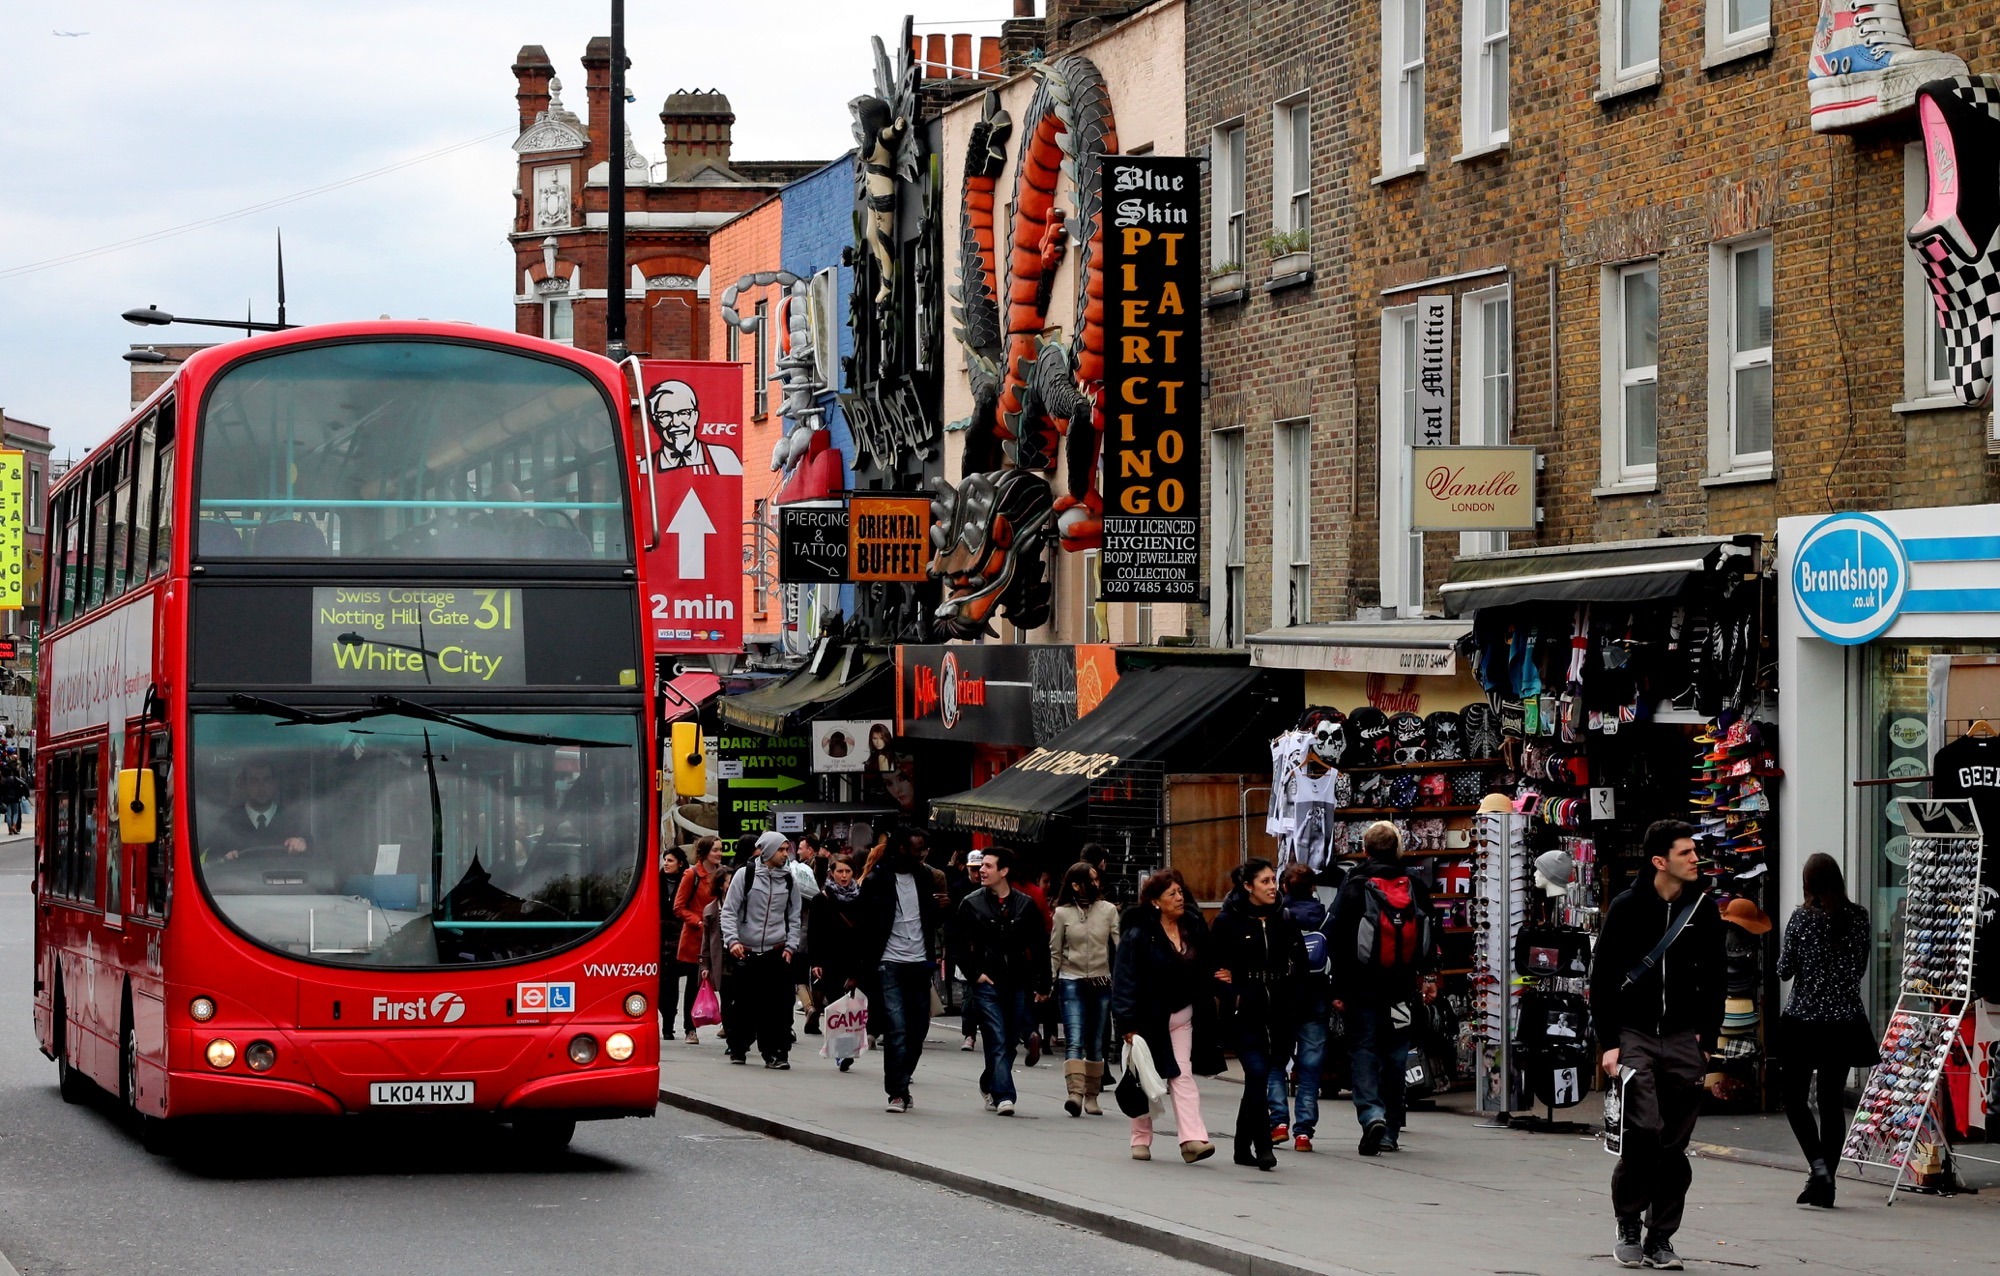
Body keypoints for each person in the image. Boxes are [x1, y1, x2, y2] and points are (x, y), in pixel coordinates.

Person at [1589, 819, 1726, 1270]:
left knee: (1673, 1146)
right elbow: (1603, 980)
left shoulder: (1703, 909)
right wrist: (1608, 1043)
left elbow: (1716, 977)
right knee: (1643, 1130)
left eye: (1694, 851)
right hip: (1634, 1034)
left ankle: (1660, 1238)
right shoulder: (1627, 908)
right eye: (1686, 853)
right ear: (1659, 861)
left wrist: (1708, 1035)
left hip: (1685, 1037)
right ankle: (1628, 1223)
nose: (1695, 859)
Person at [1327, 821, 1441, 1158]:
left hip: (1363, 988)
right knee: (1395, 1054)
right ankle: (1390, 1129)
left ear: (1365, 850)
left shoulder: (1355, 885)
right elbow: (1432, 933)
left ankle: (1370, 1114)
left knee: (1363, 1051)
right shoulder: (1415, 885)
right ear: (1398, 850)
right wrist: (1429, 977)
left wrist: (1339, 989)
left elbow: (1339, 940)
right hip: (1401, 987)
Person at [1777, 853, 1873, 1208]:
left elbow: (1785, 970)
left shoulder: (1802, 919)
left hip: (1804, 1020)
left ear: (1808, 884)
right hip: (1845, 1022)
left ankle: (1818, 1167)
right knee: (1831, 1102)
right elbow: (1860, 968)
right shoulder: (1859, 917)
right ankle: (1826, 1183)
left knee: (1794, 1099)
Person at [1111, 869, 1220, 1163]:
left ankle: (1192, 1139)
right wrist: (1126, 1023)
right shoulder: (1138, 934)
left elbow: (1208, 962)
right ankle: (1140, 1138)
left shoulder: (1192, 927)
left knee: (1181, 1074)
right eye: (1172, 894)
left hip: (1182, 1013)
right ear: (1156, 901)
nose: (1179, 897)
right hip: (1146, 1017)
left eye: (1180, 892)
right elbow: (1123, 979)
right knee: (1146, 1077)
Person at [1212, 858, 1306, 1170]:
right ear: (1247, 886)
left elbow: (1301, 963)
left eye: (1273, 880)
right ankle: (1263, 1145)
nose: (1272, 887)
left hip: (1279, 1006)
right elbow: (1213, 967)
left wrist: (1296, 998)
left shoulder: (1285, 918)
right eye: (1264, 881)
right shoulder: (1228, 921)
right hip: (1246, 1007)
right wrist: (1233, 994)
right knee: (1255, 1072)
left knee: (1264, 1073)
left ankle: (1241, 1145)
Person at [953, 845, 1049, 1115]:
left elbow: (1039, 946)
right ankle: (1005, 1095)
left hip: (1017, 980)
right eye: (981, 865)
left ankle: (989, 1082)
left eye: (988, 866)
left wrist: (1044, 984)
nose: (981, 870)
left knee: (1008, 1040)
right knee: (995, 1036)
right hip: (987, 982)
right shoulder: (971, 903)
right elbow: (958, 944)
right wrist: (975, 973)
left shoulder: (1025, 904)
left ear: (1004, 871)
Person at [860, 829, 943, 1113]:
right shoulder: (877, 881)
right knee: (896, 1027)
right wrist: (860, 969)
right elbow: (864, 927)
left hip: (920, 962)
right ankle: (896, 1091)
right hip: (889, 962)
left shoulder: (924, 877)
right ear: (901, 849)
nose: (922, 854)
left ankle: (903, 1078)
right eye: (917, 848)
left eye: (924, 848)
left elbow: (931, 919)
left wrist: (940, 907)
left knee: (918, 1028)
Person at [719, 831, 805, 1068]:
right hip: (745, 951)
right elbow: (729, 911)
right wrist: (733, 941)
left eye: (787, 850)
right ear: (767, 851)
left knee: (777, 1006)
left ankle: (776, 1053)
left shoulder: (789, 880)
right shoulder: (744, 876)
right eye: (781, 850)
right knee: (745, 1003)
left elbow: (794, 916)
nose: (785, 854)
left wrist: (790, 946)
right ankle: (738, 1046)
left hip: (776, 951)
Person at [1269, 862, 1332, 1151]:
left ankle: (1278, 1121)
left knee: (1276, 1062)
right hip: (1315, 998)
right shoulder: (1325, 918)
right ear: (1313, 888)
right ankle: (1304, 1133)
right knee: (1310, 1067)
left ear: (1283, 887)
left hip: (1281, 999)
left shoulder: (1276, 917)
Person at [1050, 861, 1119, 1117]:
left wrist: (1121, 979)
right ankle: (1075, 1094)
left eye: (1096, 878)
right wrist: (1049, 982)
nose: (1096, 883)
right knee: (1074, 1038)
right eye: (1090, 879)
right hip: (1071, 980)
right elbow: (1055, 952)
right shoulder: (1062, 913)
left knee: (1096, 1042)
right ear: (1075, 885)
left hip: (1101, 981)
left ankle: (1092, 1095)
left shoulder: (1109, 910)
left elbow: (1118, 946)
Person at [808, 855, 870, 1073]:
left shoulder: (862, 898)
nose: (844, 876)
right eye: (840, 871)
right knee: (836, 1005)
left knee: (854, 1008)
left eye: (848, 872)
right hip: (830, 960)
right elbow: (813, 933)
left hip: (856, 959)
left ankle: (849, 1047)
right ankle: (841, 1052)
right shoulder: (821, 899)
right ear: (831, 873)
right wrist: (815, 961)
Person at [673, 838, 724, 1045]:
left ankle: (726, 1023)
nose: (719, 854)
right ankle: (690, 1028)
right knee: (695, 984)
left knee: (724, 981)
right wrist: (698, 921)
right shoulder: (691, 874)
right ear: (704, 853)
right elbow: (679, 907)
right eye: (716, 850)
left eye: (720, 850)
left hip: (720, 938)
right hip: (696, 939)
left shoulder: (723, 874)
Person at [214, 762, 311, 860]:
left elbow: (316, 856)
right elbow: (207, 861)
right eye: (254, 781)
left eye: (267, 780)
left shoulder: (293, 820)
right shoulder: (228, 822)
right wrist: (224, 858)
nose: (262, 787)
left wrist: (302, 844)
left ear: (274, 784)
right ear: (244, 785)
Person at [951, 850, 986, 1050]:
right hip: (965, 948)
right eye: (973, 869)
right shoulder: (959, 889)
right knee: (968, 994)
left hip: (984, 949)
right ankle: (969, 1034)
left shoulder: (988, 890)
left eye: (979, 868)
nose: (977, 873)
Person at [657, 846, 689, 1041]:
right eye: (665, 860)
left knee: (672, 981)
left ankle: (669, 1025)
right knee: (660, 982)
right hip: (658, 936)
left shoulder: (686, 881)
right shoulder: (656, 880)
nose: (666, 864)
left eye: (670, 860)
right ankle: (663, 1014)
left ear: (680, 863)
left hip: (678, 936)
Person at [0, 762, 27, 836]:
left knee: (8, 814)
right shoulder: (14, 778)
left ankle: (10, 829)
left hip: (6, 799)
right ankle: (14, 825)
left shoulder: (2, 781)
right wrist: (23, 793)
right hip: (15, 798)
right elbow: (24, 783)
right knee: (16, 813)